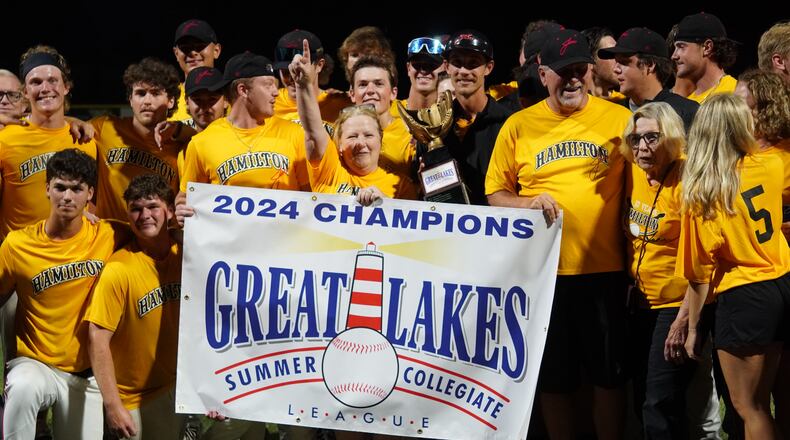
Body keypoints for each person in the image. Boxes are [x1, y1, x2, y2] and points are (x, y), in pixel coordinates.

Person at [486, 29, 632, 440]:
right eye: (563, 71)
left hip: (606, 270)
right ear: (542, 72)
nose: (572, 79)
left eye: (580, 70)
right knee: (554, 379)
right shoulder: (518, 125)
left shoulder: (620, 119)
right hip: (544, 278)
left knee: (608, 375)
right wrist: (527, 203)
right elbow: (495, 194)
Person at [678, 93, 790, 440]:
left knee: (749, 407)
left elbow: (698, 274)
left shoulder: (703, 191)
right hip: (782, 284)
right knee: (775, 400)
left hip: (745, 295)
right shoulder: (770, 165)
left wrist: (693, 328)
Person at [0, 149, 128, 439]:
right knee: (22, 386)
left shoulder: (109, 234)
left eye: (76, 189)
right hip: (36, 363)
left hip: (86, 373)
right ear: (47, 189)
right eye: (60, 187)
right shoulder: (17, 245)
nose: (67, 197)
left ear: (90, 194)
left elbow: (155, 235)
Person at [620, 102, 712, 439]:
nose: (642, 147)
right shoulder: (633, 171)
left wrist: (684, 322)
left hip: (674, 306)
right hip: (638, 305)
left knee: (660, 404)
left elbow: (703, 261)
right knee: (642, 396)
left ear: (672, 138)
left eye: (652, 138)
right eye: (636, 138)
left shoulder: (688, 180)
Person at [86, 174, 183, 440]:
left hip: (172, 388)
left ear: (170, 211)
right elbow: (97, 338)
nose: (144, 215)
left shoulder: (186, 255)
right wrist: (113, 405)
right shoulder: (119, 269)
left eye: (152, 206)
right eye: (136, 209)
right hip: (131, 398)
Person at [290, 40, 415, 203]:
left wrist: (387, 204)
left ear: (381, 139)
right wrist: (303, 84)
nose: (361, 143)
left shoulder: (402, 185)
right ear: (338, 144)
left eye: (369, 135)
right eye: (352, 136)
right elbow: (312, 131)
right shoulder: (331, 170)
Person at [415, 29, 513, 205]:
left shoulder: (509, 123)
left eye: (473, 63)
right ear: (446, 66)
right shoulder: (432, 128)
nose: (464, 71)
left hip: (495, 228)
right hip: (446, 227)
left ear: (488, 68)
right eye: (457, 63)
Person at [91, 58, 184, 222]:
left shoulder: (180, 147)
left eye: (155, 93)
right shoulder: (105, 128)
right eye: (140, 93)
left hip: (153, 241)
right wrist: (75, 121)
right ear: (130, 99)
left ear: (171, 101)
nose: (147, 101)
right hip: (109, 239)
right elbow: (59, 127)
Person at [598, 27, 699, 129]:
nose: (615, 69)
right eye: (616, 62)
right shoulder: (613, 112)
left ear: (650, 65)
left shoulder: (685, 112)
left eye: (624, 62)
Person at [734, 69, 790, 242]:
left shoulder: (786, 154)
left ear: (766, 109)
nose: (732, 111)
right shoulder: (728, 152)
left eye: (740, 105)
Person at [347, 55, 415, 189]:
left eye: (378, 84)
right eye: (363, 84)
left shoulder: (411, 135)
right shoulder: (340, 135)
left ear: (393, 93)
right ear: (352, 94)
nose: (370, 91)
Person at [273, 29, 349, 124]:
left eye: (298, 71)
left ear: (319, 65)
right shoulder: (270, 103)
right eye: (285, 72)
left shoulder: (339, 105)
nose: (292, 78)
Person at [672, 12, 738, 103]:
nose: (673, 56)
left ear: (707, 47)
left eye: (681, 47)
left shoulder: (736, 94)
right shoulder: (686, 102)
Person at [170, 19, 222, 123]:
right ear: (176, 53)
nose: (193, 52)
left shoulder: (233, 95)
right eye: (185, 47)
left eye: (200, 46)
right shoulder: (167, 98)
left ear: (216, 50)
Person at [402, 36, 446, 110]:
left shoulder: (454, 116)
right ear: (408, 68)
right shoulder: (389, 113)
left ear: (445, 68)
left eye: (431, 64)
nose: (423, 70)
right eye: (417, 64)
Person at [582, 27, 626, 102]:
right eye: (610, 54)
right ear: (590, 60)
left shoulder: (627, 102)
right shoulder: (575, 105)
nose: (619, 60)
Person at [184, 66, 228, 132]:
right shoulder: (182, 140)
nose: (204, 107)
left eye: (211, 99)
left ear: (226, 101)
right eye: (197, 100)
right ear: (187, 103)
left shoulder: (240, 139)